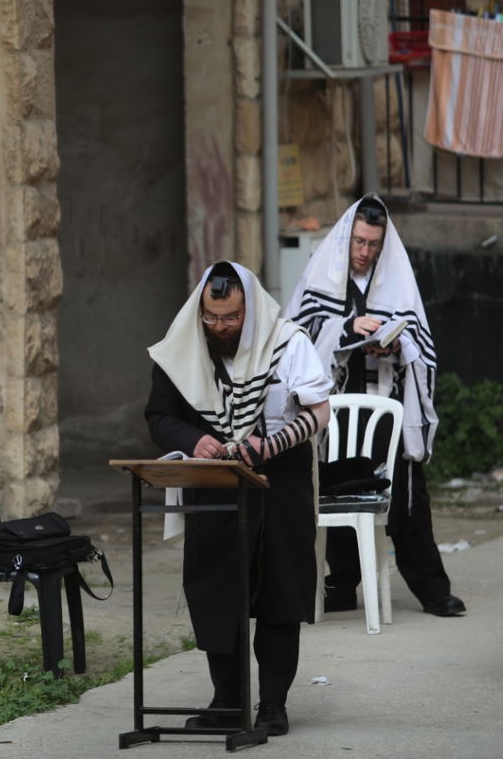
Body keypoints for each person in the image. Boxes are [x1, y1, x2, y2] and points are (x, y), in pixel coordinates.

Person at [145, 261, 331, 737]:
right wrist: (194, 438)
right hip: (214, 480)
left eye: (230, 318)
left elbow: (318, 411)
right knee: (215, 587)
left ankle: (272, 703)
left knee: (280, 591)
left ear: (249, 308)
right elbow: (159, 416)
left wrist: (265, 446)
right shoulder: (184, 345)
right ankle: (227, 700)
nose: (221, 328)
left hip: (280, 480)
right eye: (212, 317)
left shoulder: (287, 341)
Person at [282, 195, 464, 618]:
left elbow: (422, 346)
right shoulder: (321, 280)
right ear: (347, 237)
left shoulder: (397, 281)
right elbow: (296, 340)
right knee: (339, 487)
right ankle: (342, 585)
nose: (365, 252)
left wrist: (397, 344)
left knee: (407, 497)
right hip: (334, 412)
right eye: (359, 242)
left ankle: (432, 590)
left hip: (386, 406)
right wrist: (347, 328)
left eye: (374, 245)